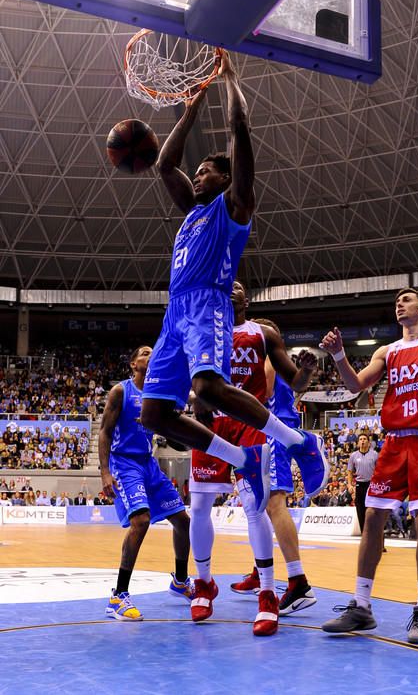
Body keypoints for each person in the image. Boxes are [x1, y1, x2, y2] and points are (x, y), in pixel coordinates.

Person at [140, 53, 327, 617]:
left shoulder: (233, 206)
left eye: (207, 172)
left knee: (208, 390)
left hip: (209, 306)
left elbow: (241, 134)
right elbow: (164, 164)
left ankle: (299, 443)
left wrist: (228, 83)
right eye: (198, 175)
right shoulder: (190, 211)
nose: (198, 176)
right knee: (154, 415)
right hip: (176, 313)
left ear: (225, 179)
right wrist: (190, 104)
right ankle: (238, 458)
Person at [320, 287, 418, 644]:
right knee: (372, 516)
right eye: (396, 302)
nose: (398, 305)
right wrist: (339, 354)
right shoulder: (387, 351)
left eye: (406, 300)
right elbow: (355, 385)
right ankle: (361, 606)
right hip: (394, 440)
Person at [190, 290, 325, 635]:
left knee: (260, 505)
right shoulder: (201, 328)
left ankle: (273, 590)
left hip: (255, 423)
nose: (232, 290)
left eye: (239, 288)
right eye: (227, 287)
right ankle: (205, 583)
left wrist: (305, 372)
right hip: (214, 421)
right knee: (202, 504)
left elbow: (286, 383)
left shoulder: (262, 335)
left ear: (247, 301)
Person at [231, 316, 321, 621]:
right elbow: (299, 384)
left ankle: (298, 582)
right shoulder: (277, 359)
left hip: (272, 431)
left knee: (274, 503)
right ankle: (260, 570)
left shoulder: (265, 355)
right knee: (257, 505)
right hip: (272, 430)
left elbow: (265, 393)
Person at [99, 346, 194, 621]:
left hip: (148, 463)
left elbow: (174, 440)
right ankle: (118, 596)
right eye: (144, 352)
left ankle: (180, 580)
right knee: (141, 521)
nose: (150, 354)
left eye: (153, 351)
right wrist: (105, 472)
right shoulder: (121, 391)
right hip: (124, 462)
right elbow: (104, 431)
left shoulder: (158, 396)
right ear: (133, 364)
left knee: (183, 521)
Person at [347, 433, 378, 533]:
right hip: (359, 485)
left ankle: (377, 539)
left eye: (365, 439)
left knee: (372, 512)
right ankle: (364, 536)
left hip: (371, 485)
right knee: (360, 512)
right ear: (358, 443)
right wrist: (349, 484)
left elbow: (379, 470)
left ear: (369, 443)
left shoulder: (374, 454)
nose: (363, 441)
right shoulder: (353, 456)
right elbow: (350, 472)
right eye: (360, 439)